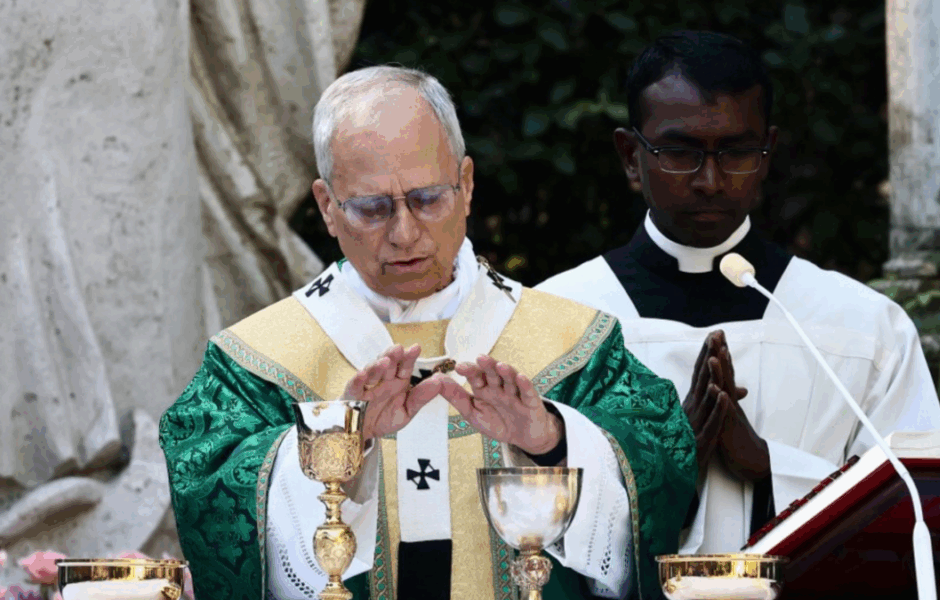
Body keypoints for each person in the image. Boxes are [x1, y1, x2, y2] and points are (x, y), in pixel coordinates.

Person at [158, 66, 696, 600]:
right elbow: (212, 502)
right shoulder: (252, 364)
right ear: (327, 207)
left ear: (466, 185)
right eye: (371, 208)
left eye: (428, 198)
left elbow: (662, 472)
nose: (404, 232)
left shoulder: (574, 345)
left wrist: (552, 441)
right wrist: (341, 447)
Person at [537, 31, 940, 554]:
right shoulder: (557, 322)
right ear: (630, 156)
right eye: (679, 152)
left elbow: (920, 517)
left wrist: (769, 465)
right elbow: (525, 527)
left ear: (768, 152)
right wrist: (668, 464)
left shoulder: (863, 326)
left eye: (736, 152)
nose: (710, 180)